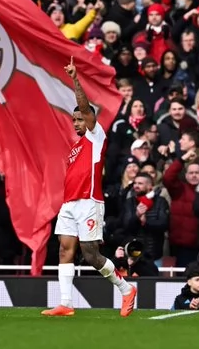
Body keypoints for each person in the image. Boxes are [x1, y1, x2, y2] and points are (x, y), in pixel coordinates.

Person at [42, 57, 136, 318]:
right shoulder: (76, 146)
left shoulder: (96, 137)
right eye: (73, 120)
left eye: (80, 119)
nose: (76, 123)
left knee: (91, 254)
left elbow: (85, 108)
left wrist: (75, 79)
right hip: (69, 203)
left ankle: (126, 289)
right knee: (64, 249)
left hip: (89, 201)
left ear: (89, 119)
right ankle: (65, 303)